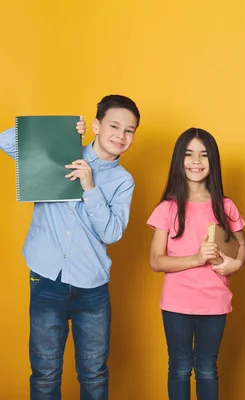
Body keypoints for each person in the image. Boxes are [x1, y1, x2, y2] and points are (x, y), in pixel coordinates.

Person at [0, 94, 140, 399]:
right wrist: (57, 129)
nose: (120, 135)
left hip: (92, 288)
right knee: (45, 373)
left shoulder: (122, 181)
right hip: (46, 278)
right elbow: (6, 141)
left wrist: (90, 187)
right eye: (114, 126)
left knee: (93, 374)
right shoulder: (61, 152)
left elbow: (112, 232)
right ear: (95, 125)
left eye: (129, 130)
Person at [147, 128, 245, 400]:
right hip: (176, 303)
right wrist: (197, 258)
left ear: (212, 161)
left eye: (204, 155)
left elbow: (244, 247)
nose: (196, 161)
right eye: (189, 154)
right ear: (179, 160)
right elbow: (156, 261)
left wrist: (235, 264)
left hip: (215, 301)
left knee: (206, 369)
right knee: (180, 368)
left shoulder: (225, 206)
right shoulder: (167, 208)